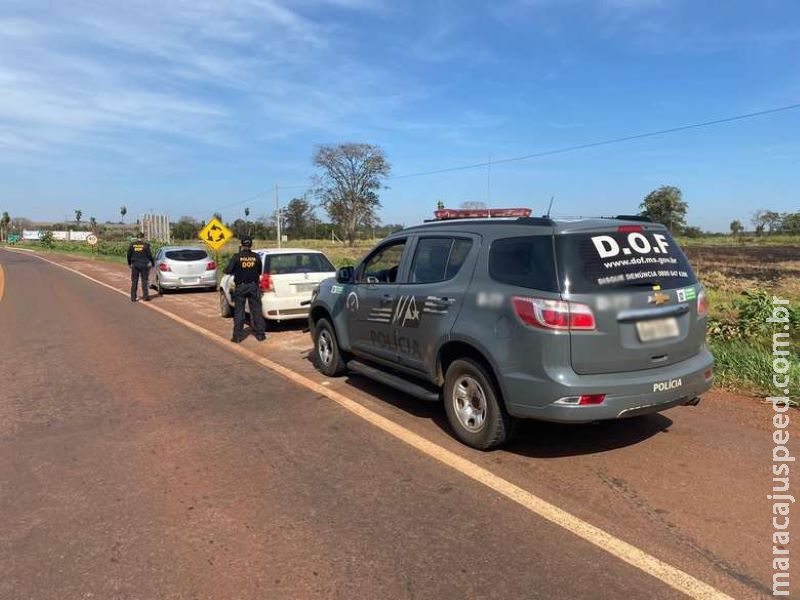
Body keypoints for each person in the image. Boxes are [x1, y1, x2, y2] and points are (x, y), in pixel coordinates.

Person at [223, 236, 266, 343]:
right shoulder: (256, 257)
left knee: (239, 312)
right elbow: (259, 272)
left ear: (242, 245)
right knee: (256, 311)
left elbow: (227, 270)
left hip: (240, 287)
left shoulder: (236, 257)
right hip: (253, 286)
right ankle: (260, 335)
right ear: (251, 245)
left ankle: (237, 337)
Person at [127, 232, 155, 302]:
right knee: (144, 281)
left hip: (135, 265)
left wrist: (129, 263)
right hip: (144, 265)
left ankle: (133, 298)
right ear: (143, 238)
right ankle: (145, 297)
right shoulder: (146, 245)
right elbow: (149, 255)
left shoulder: (132, 245)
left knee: (134, 281)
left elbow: (128, 255)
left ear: (137, 238)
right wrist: (152, 262)